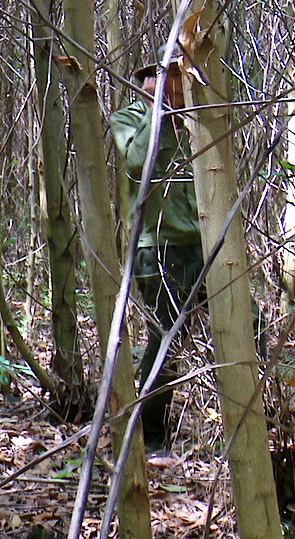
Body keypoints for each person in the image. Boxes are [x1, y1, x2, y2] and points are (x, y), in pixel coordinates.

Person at [110, 52, 203, 455]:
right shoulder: (129, 117)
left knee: (251, 324)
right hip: (159, 250)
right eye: (159, 77)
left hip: (206, 246)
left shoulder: (199, 116)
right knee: (166, 340)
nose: (170, 85)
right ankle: (152, 436)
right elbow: (135, 161)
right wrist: (158, 110)